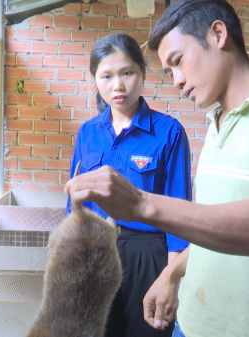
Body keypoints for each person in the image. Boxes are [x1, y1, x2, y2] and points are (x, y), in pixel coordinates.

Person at [64, 1, 249, 336]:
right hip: (191, 324)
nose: (177, 80)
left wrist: (139, 204)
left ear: (218, 34)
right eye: (168, 71)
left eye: (178, 62)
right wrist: (172, 274)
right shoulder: (216, 124)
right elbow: (209, 226)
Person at [64, 33, 192, 337]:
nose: (117, 85)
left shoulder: (169, 133)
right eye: (106, 76)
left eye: (127, 73)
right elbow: (73, 207)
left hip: (147, 256)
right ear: (95, 80)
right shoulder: (88, 133)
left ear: (143, 73)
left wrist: (170, 281)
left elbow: (179, 219)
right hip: (95, 253)